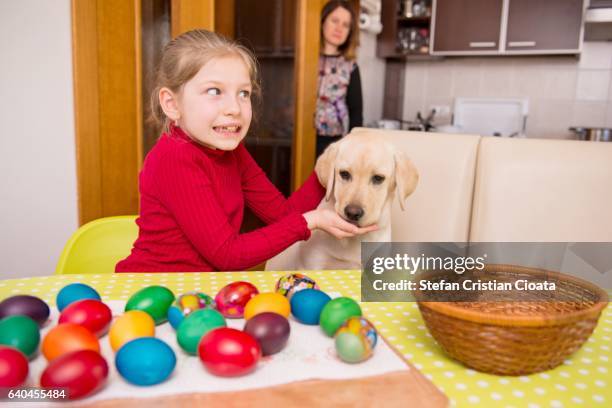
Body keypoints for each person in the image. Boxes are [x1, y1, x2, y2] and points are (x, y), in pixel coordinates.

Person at [116, 29, 376, 272]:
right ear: (171, 104)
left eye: (243, 93)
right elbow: (228, 254)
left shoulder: (232, 152)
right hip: (151, 291)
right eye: (214, 91)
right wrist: (312, 221)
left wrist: (332, 162)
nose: (235, 108)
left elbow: (282, 216)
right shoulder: (174, 158)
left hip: (200, 295)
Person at [315, 0, 363, 158]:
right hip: (299, 138)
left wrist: (352, 151)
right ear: (322, 22)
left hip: (332, 145)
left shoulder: (351, 67)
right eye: (335, 21)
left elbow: (356, 114)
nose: (339, 28)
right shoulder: (306, 59)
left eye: (346, 25)